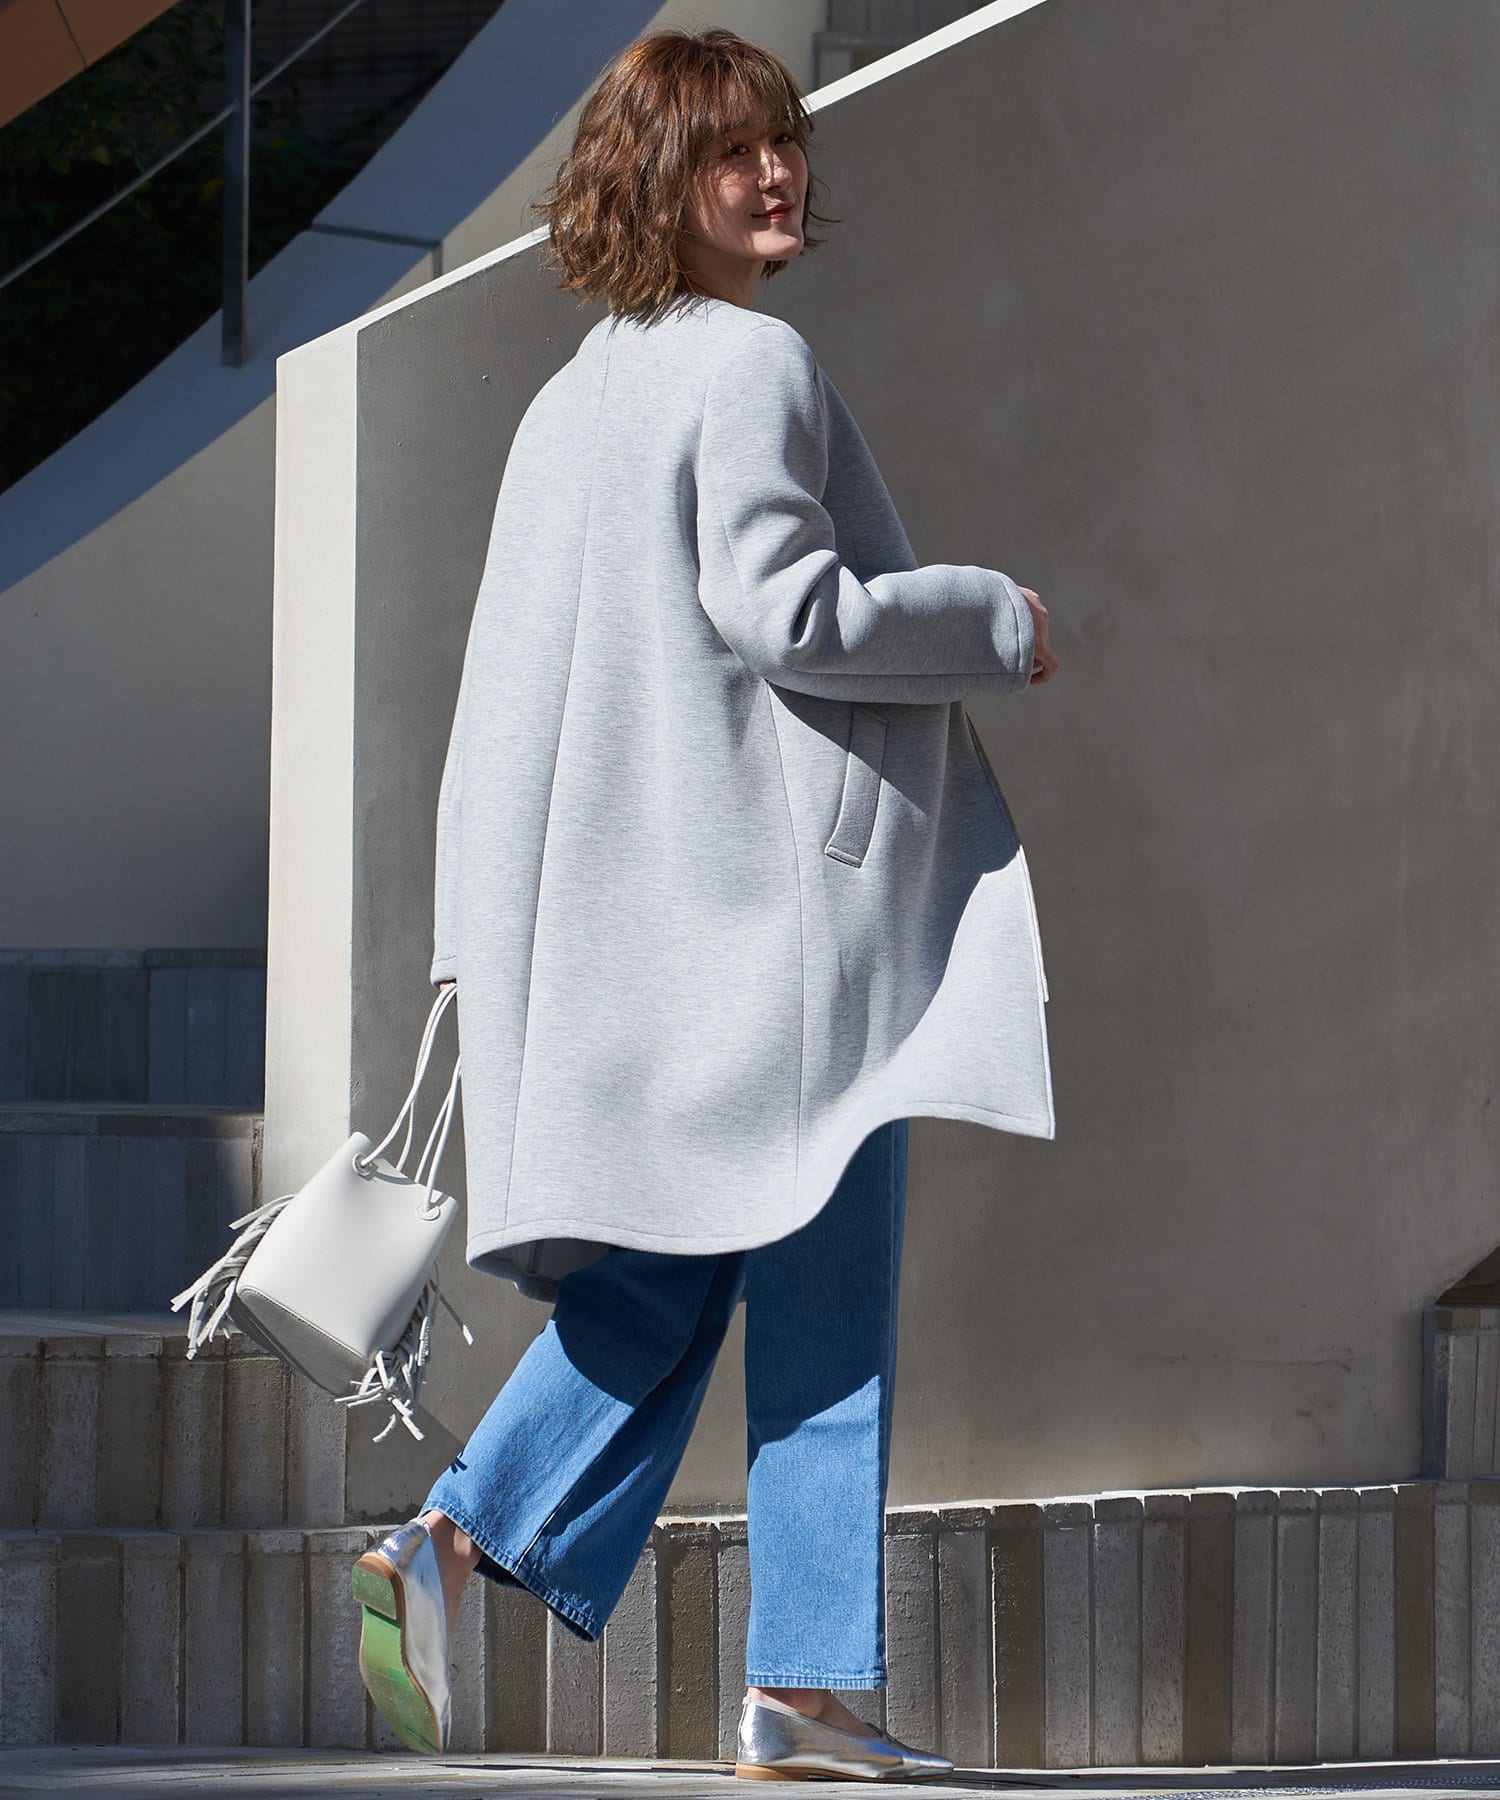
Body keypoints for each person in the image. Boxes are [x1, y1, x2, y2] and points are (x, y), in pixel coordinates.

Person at [351, 24, 1059, 1781]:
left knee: (669, 1278)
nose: (776, 174)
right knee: (824, 1301)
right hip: (780, 933)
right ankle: (779, 1679)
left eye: (784, 141)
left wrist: (476, 945)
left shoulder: (567, 403)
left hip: (630, 939)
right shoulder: (752, 361)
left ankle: (473, 1549)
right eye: (733, 151)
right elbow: (787, 611)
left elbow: (497, 703)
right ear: (658, 183)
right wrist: (995, 619)